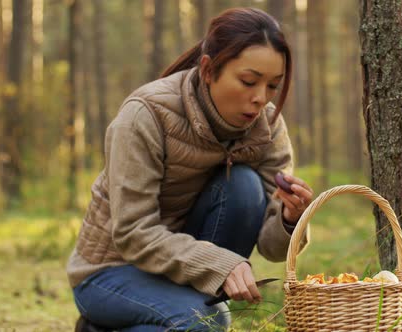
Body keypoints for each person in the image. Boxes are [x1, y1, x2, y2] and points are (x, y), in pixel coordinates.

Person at [67, 7, 312, 332]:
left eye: (272, 86)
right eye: (248, 81)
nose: (260, 98)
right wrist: (218, 265)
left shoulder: (265, 126)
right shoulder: (146, 115)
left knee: (243, 185)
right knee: (206, 321)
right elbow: (132, 233)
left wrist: (289, 219)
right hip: (109, 271)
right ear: (209, 70)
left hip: (180, 268)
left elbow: (272, 248)